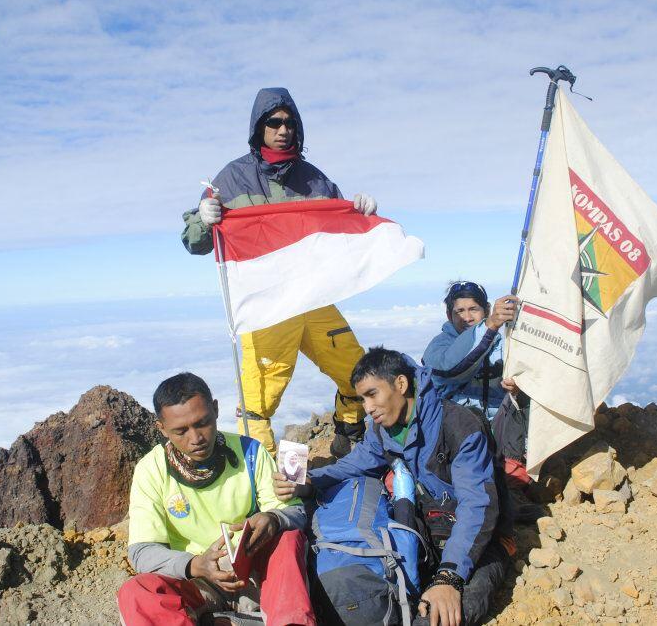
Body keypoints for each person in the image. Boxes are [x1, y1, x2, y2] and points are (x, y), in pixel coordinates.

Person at [181, 87, 376, 458]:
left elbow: (337, 227)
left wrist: (359, 211)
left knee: (356, 370)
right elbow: (195, 242)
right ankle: (263, 477)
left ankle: (348, 433)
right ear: (259, 127)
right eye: (273, 122)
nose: (282, 129)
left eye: (289, 122)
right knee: (258, 401)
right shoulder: (234, 178)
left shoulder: (314, 180)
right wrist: (203, 221)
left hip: (313, 298)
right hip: (267, 305)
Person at [275, 348, 512, 626]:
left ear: (401, 384)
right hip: (429, 529)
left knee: (443, 614)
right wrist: (309, 481)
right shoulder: (384, 431)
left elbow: (477, 506)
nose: (367, 407)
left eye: (372, 394)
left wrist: (449, 577)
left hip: (481, 539)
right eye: (362, 398)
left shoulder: (459, 426)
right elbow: (352, 465)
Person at [117, 373, 315, 626]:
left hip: (257, 576)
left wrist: (274, 518)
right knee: (137, 591)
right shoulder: (151, 469)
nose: (196, 438)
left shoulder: (250, 452)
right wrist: (195, 565)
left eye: (203, 423)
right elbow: (142, 551)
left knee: (288, 539)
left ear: (216, 409)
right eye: (181, 431)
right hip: (197, 583)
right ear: (162, 429)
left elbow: (295, 512)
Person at [422, 281, 520, 422]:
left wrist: (518, 388)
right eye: (459, 311)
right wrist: (489, 325)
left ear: (486, 309)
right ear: (449, 315)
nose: (467, 318)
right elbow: (448, 367)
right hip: (457, 429)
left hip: (501, 427)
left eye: (473, 309)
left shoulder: (506, 344)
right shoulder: (438, 347)